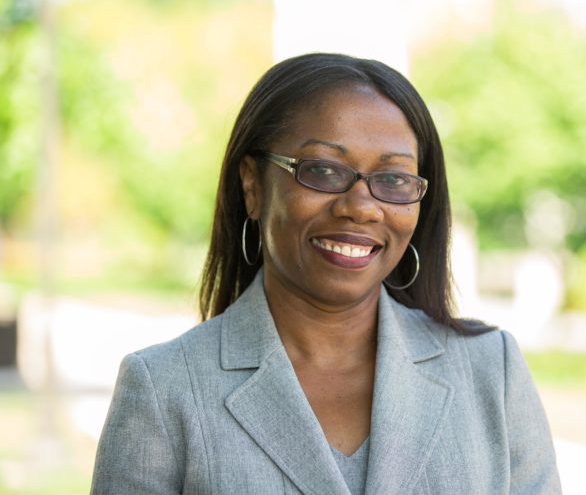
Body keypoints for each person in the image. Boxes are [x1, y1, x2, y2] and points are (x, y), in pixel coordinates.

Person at [90, 53, 561, 495]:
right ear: (252, 184)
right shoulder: (163, 388)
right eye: (323, 170)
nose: (360, 207)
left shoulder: (490, 372)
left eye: (394, 179)